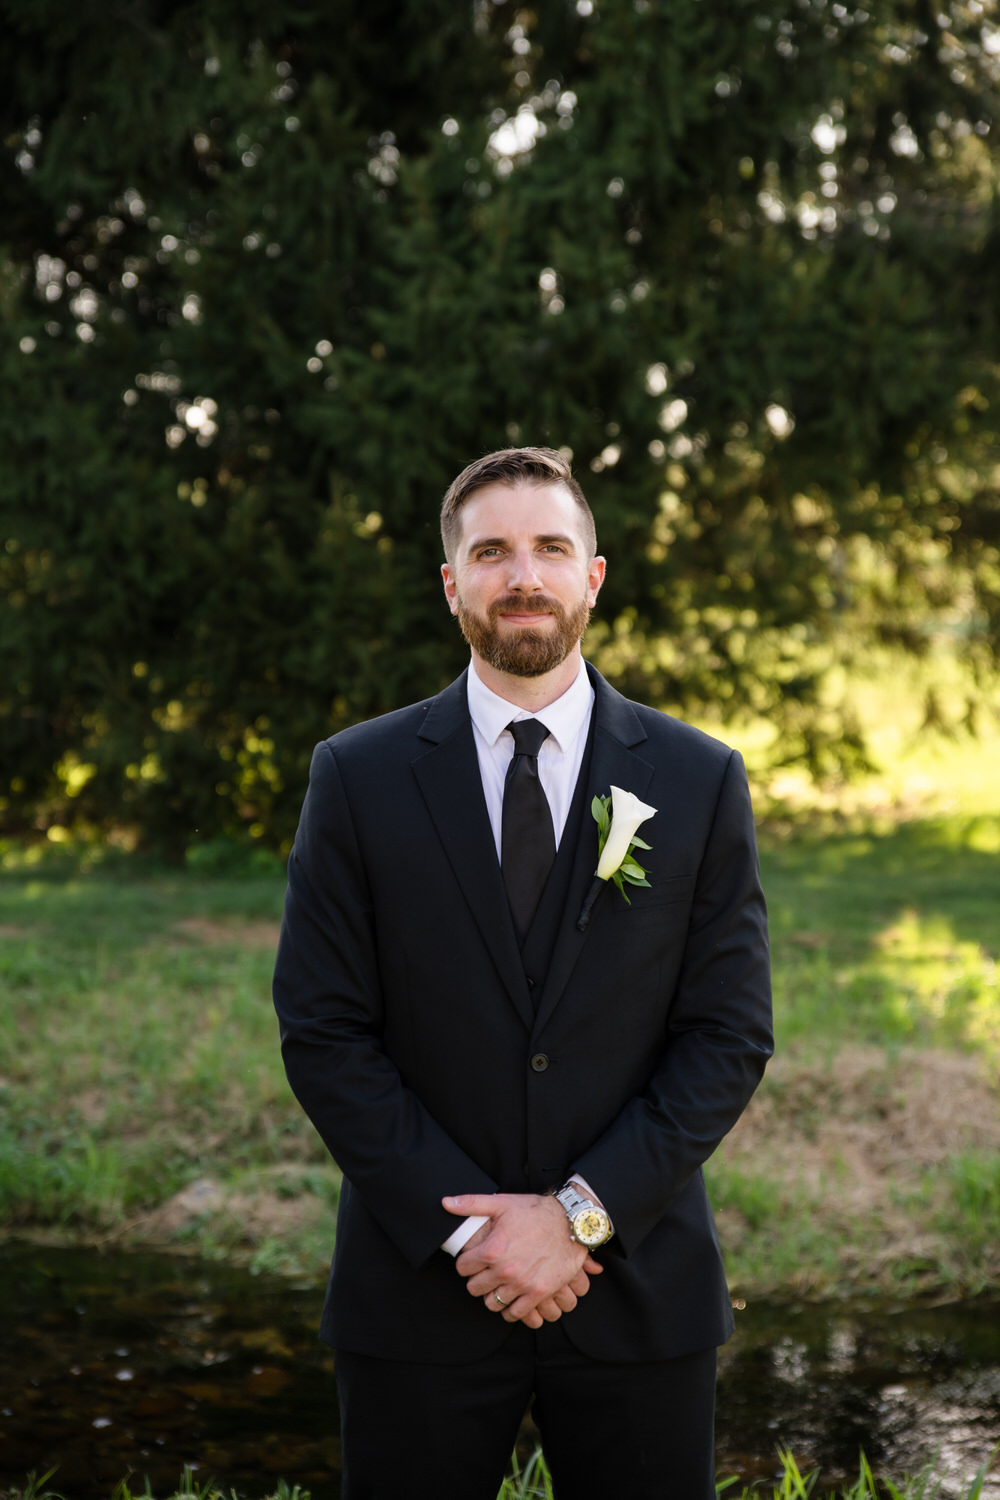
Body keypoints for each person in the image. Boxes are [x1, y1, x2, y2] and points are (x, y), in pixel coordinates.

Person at [272, 446, 773, 1499]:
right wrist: (473, 1235)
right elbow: (324, 1032)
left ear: (594, 576)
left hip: (638, 1285)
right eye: (490, 551)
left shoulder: (696, 778)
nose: (522, 576)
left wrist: (579, 1217)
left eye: (550, 547)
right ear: (451, 583)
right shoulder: (355, 779)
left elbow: (726, 1034)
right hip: (418, 1292)